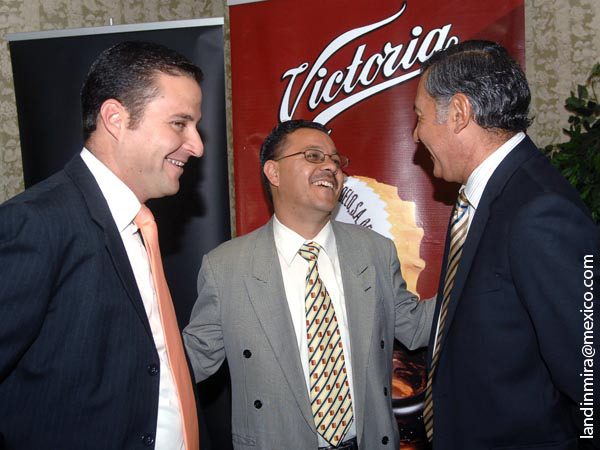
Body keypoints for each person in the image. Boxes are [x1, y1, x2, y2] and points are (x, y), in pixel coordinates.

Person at [0, 41, 205, 450]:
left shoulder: (139, 224)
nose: (197, 145)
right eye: (180, 124)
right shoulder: (35, 222)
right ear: (115, 118)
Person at [183, 119, 435, 450]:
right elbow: (191, 361)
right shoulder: (226, 268)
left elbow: (415, 326)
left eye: (336, 160)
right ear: (273, 173)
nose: (331, 166)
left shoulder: (375, 251)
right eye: (314, 156)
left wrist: (473, 268)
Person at [413, 40, 599, 449]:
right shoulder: (489, 196)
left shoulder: (538, 212)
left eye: (420, 117)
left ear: (458, 113)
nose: (415, 133)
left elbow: (589, 376)